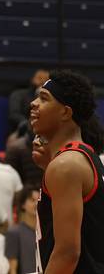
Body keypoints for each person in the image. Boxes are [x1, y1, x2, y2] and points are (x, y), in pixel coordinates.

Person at [28, 70, 104, 272]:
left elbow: (67, 253)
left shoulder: (66, 165)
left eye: (44, 99)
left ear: (65, 112)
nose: (33, 104)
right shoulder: (82, 157)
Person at [5, 187, 39, 274]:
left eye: (39, 200)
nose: (36, 203)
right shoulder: (14, 232)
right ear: (23, 204)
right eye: (32, 200)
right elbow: (12, 269)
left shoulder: (49, 231)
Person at [8, 68, 50, 134]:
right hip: (21, 133)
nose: (41, 81)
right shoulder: (19, 94)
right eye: (39, 78)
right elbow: (14, 114)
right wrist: (28, 124)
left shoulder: (49, 98)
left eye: (45, 80)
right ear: (32, 79)